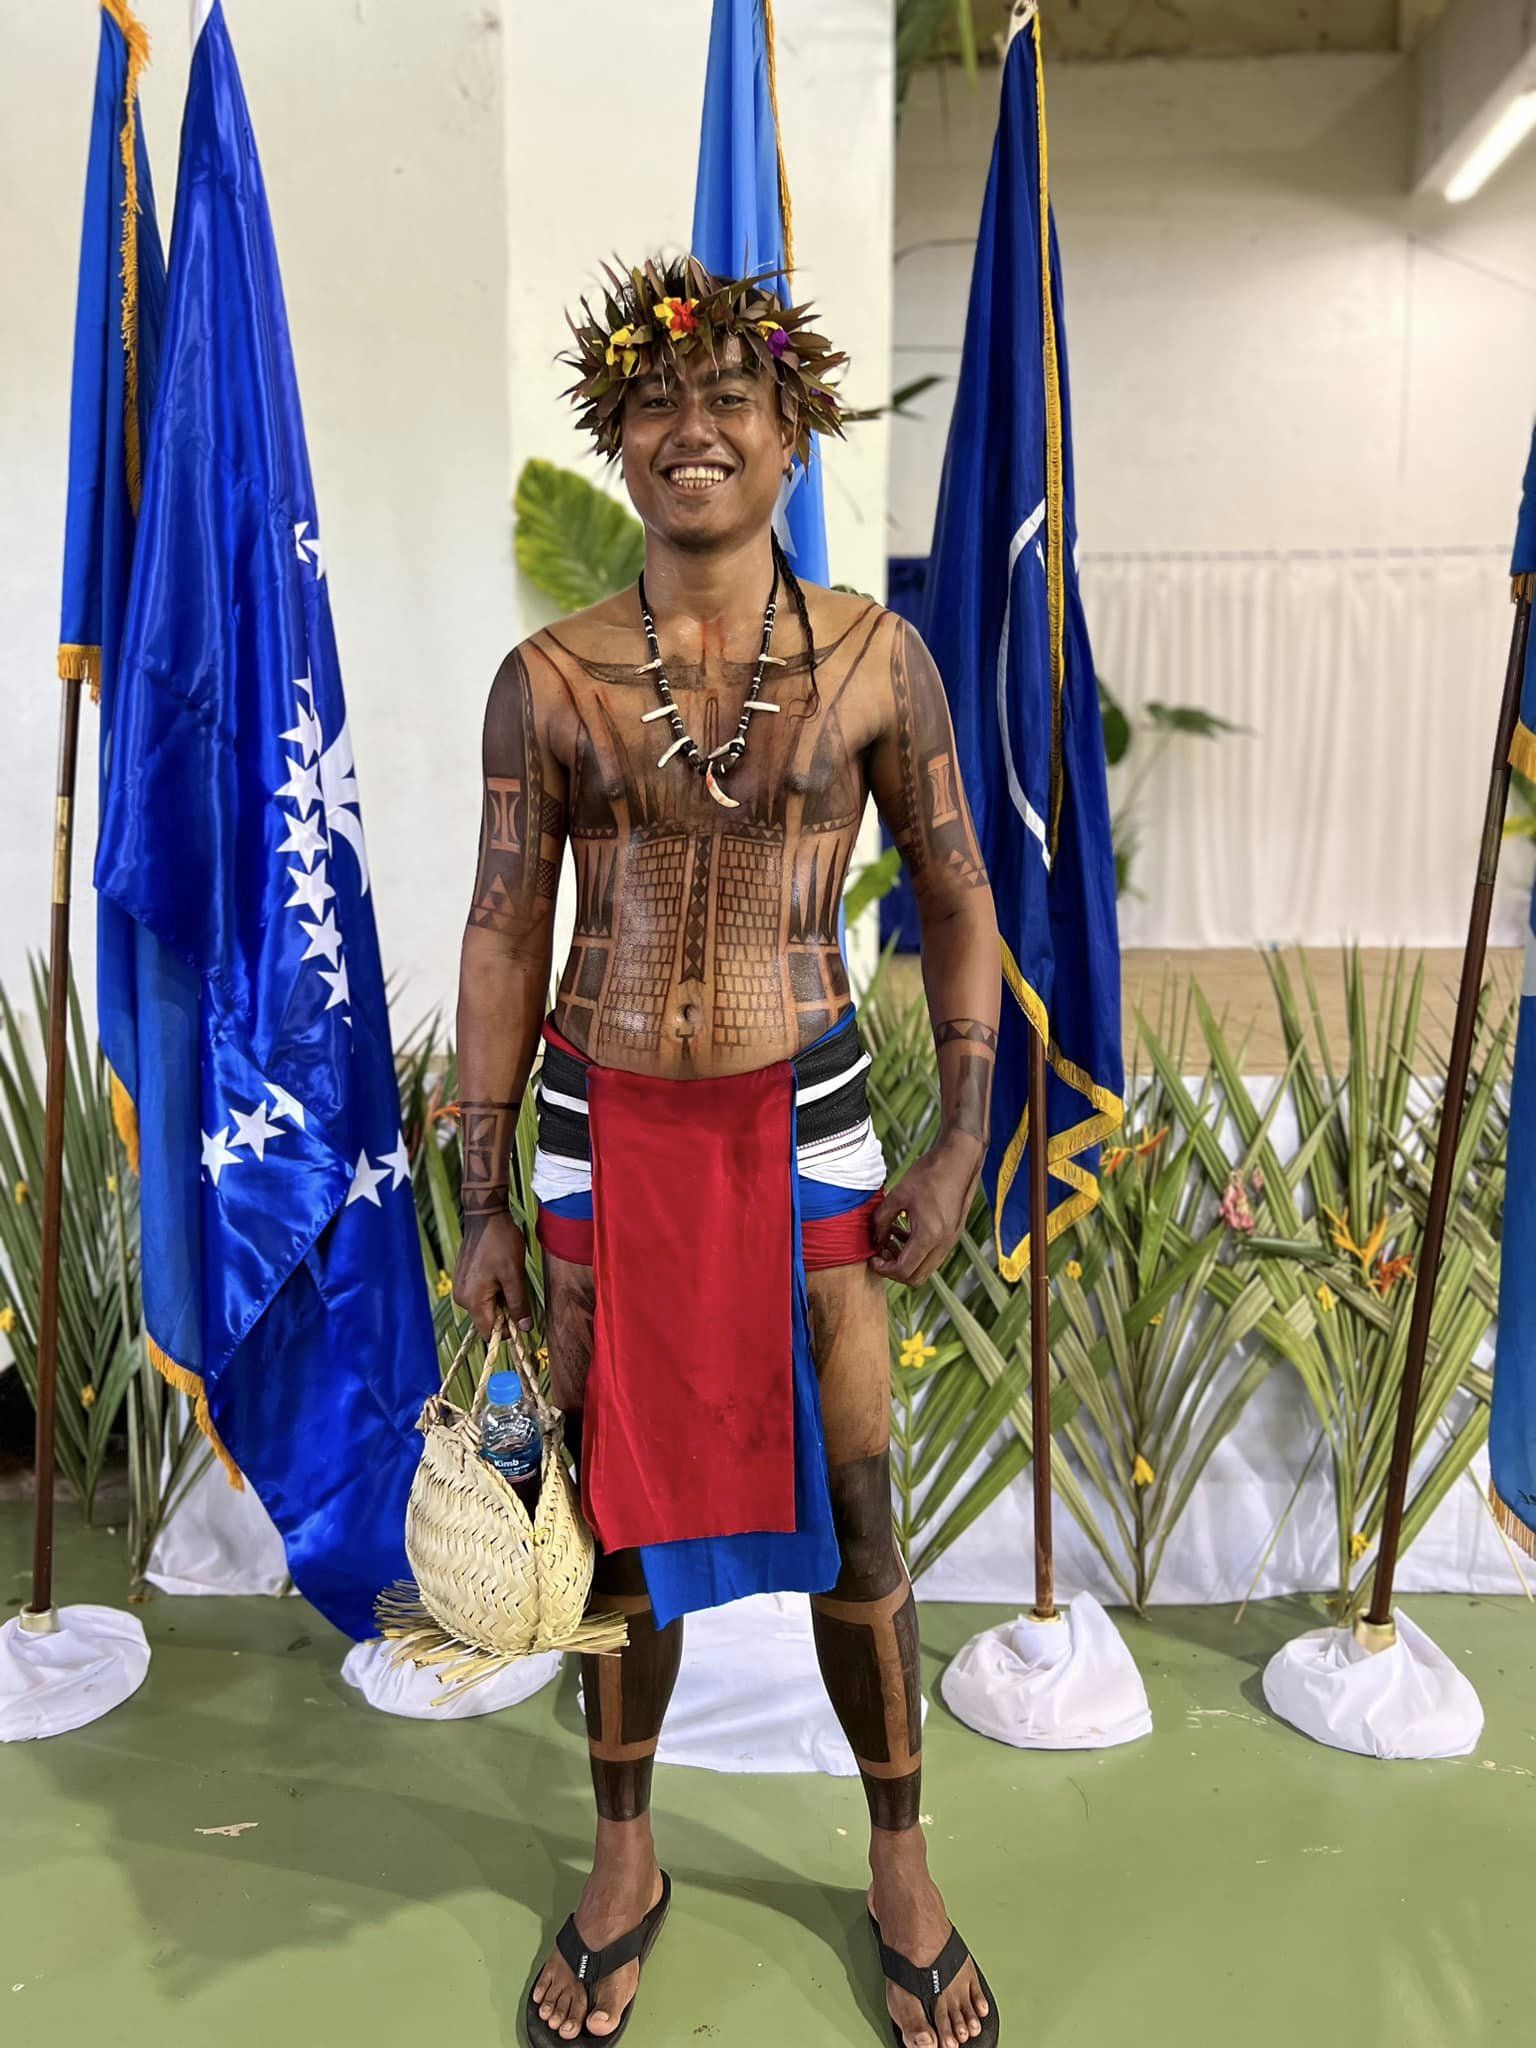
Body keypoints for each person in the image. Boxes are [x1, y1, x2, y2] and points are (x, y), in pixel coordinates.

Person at [452, 257, 1003, 2048]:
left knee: (858, 1500)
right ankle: (627, 1858)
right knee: (615, 1507)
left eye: (733, 406)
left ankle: (900, 1860)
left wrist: (967, 1137)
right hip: (594, 1118)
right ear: (616, 444)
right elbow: (496, 936)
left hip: (813, 1108)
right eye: (659, 407)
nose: (696, 431)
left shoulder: (874, 658)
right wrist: (479, 1205)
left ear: (792, 436)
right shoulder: (547, 680)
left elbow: (958, 889)